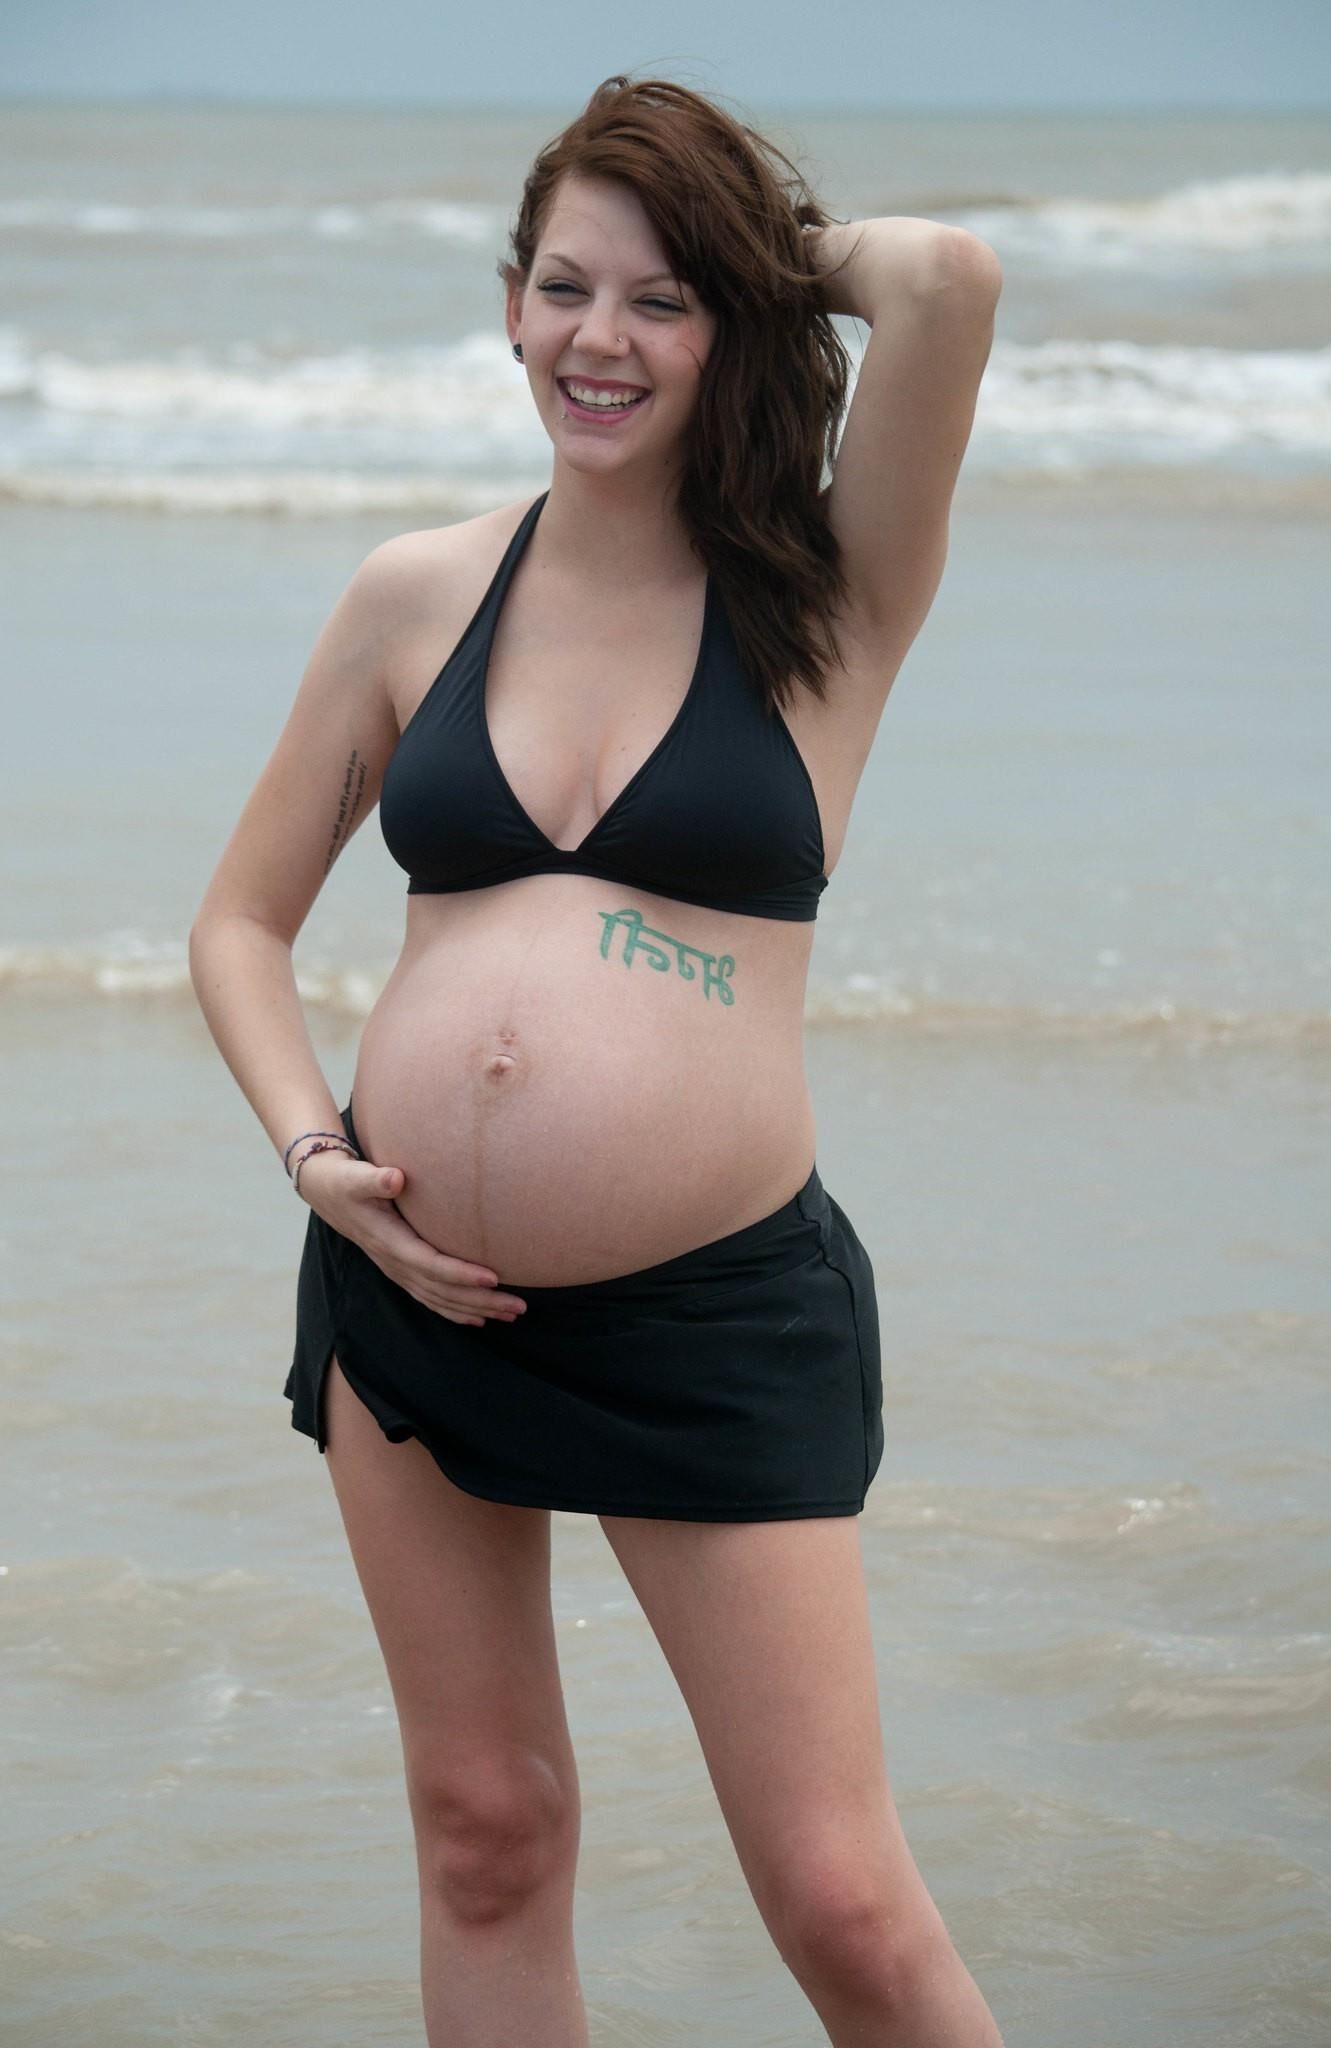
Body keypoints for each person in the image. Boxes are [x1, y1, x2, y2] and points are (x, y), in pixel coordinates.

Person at [188, 72, 1004, 2048]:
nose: (598, 340)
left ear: (731, 323)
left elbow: (949, 278)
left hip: (710, 1316)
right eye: (562, 289)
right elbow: (238, 924)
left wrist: (759, 251)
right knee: (485, 1826)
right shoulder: (414, 592)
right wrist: (316, 1158)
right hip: (410, 1303)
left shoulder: (823, 601)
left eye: (659, 298)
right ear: (505, 309)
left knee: (837, 1897)